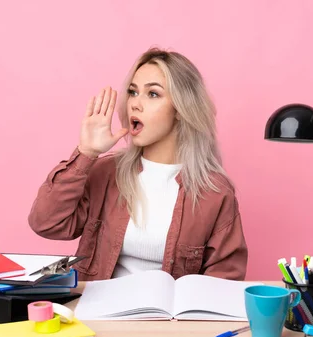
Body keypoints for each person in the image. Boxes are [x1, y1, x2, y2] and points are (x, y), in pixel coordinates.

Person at [28, 47, 248, 281]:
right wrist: (86, 153)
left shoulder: (215, 192)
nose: (134, 104)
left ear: (181, 109)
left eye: (153, 94)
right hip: (99, 312)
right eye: (133, 92)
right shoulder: (106, 173)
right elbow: (46, 223)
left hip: (171, 317)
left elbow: (225, 278)